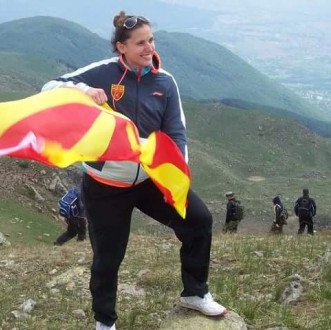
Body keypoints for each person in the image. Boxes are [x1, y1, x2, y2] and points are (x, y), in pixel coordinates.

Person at [42, 11, 227, 330]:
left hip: (149, 180)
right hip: (105, 185)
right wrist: (83, 92)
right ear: (121, 47)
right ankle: (105, 322)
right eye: (140, 42)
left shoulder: (164, 81)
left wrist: (177, 172)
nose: (149, 47)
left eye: (151, 40)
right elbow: (50, 88)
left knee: (199, 220)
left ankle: (195, 293)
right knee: (108, 256)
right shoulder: (102, 72)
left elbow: (176, 130)